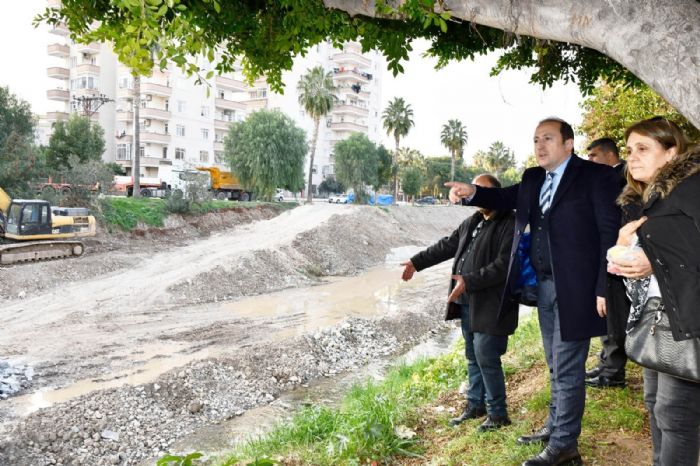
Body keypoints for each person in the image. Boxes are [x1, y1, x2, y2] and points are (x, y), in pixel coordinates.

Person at [446, 118, 620, 466]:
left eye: (548, 139)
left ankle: (564, 446)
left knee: (569, 368)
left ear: (569, 144)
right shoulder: (532, 178)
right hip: (543, 287)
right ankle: (556, 427)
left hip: (579, 290)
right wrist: (473, 193)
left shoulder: (595, 177)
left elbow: (608, 233)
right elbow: (503, 196)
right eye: (536, 139)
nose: (540, 146)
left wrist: (604, 286)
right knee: (556, 365)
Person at [607, 117, 700, 466]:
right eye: (630, 150)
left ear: (671, 151)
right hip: (657, 319)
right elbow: (643, 270)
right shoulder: (648, 199)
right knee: (654, 404)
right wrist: (623, 252)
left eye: (643, 149)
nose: (632, 157)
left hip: (687, 320)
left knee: (675, 413)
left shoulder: (691, 188)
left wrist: (653, 258)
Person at [401, 174, 518, 432]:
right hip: (467, 302)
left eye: (485, 191)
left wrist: (469, 280)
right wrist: (416, 262)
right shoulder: (473, 221)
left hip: (494, 304)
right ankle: (475, 405)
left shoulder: (511, 224)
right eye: (477, 190)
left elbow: (504, 267)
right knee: (472, 356)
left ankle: (498, 414)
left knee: (487, 356)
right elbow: (446, 246)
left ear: (497, 194)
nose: (479, 195)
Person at [585, 138, 631, 388]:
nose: (590, 161)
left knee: (613, 312)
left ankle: (613, 373)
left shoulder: (622, 177)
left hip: (619, 252)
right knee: (606, 313)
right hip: (607, 252)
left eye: (593, 156)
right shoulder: (608, 177)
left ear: (609, 155)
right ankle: (606, 363)